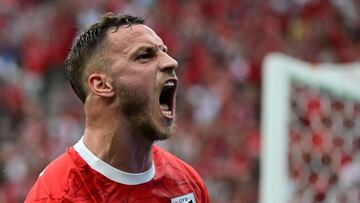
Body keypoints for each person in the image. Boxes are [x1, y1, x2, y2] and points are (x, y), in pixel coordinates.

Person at [25, 13, 209, 202]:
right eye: (145, 56)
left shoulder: (187, 183)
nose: (171, 62)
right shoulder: (57, 196)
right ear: (102, 85)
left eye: (164, 51)